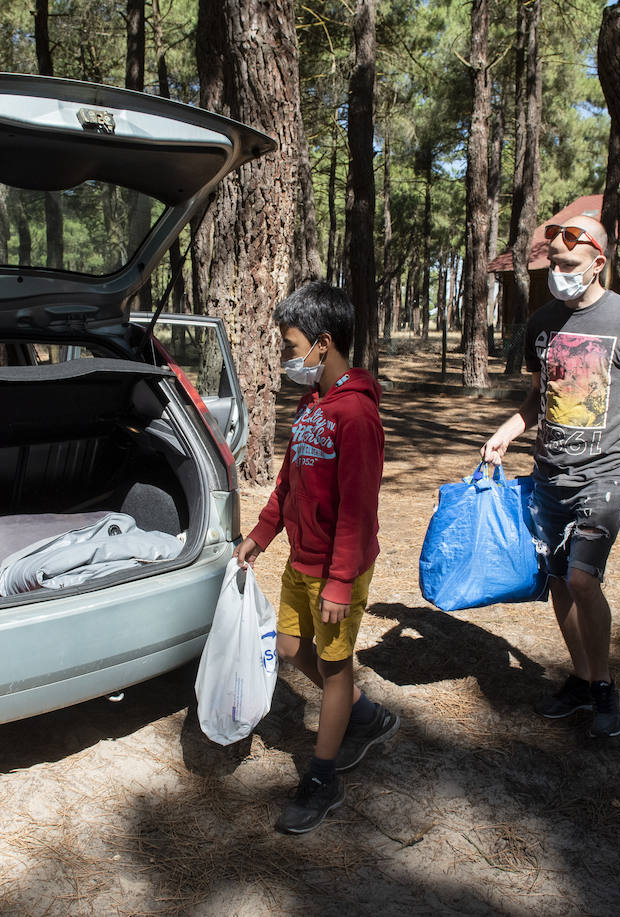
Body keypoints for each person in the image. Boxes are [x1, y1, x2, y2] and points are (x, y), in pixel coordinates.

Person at [481, 215, 620, 738]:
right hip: (551, 474)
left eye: (568, 265)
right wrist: (510, 429)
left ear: (598, 264)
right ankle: (583, 680)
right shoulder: (543, 321)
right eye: (553, 264)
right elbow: (539, 397)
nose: (558, 273)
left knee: (584, 578)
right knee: (561, 584)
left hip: (607, 475)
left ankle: (606, 687)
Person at [235, 281, 400, 834]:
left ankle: (323, 778)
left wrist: (339, 581)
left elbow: (358, 507)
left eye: (290, 345)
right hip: (301, 560)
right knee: (289, 646)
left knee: (333, 668)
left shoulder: (356, 416)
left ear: (322, 344)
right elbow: (287, 484)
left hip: (337, 569)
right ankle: (364, 714)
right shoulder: (312, 406)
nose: (285, 358)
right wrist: (260, 535)